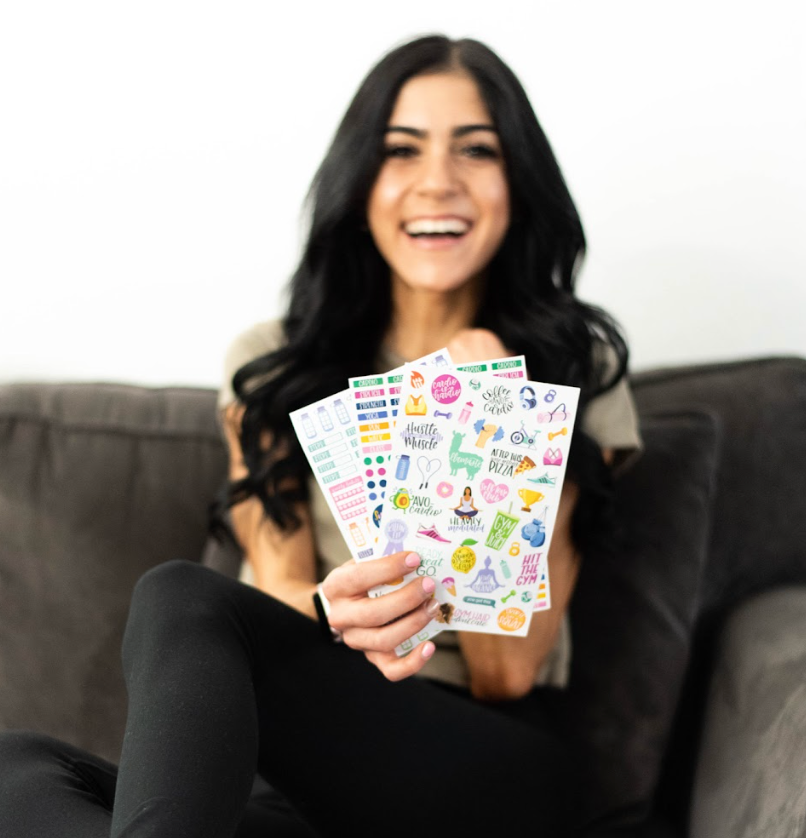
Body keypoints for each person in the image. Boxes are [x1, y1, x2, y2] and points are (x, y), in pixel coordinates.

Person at [0, 34, 641, 837]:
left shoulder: (577, 363)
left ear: (518, 180)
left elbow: (507, 670)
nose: (438, 182)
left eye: (477, 151)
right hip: (311, 764)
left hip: (487, 768)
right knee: (14, 766)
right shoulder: (273, 366)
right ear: (361, 183)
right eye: (400, 152)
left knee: (177, 590)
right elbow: (270, 598)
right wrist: (324, 612)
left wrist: (481, 409)